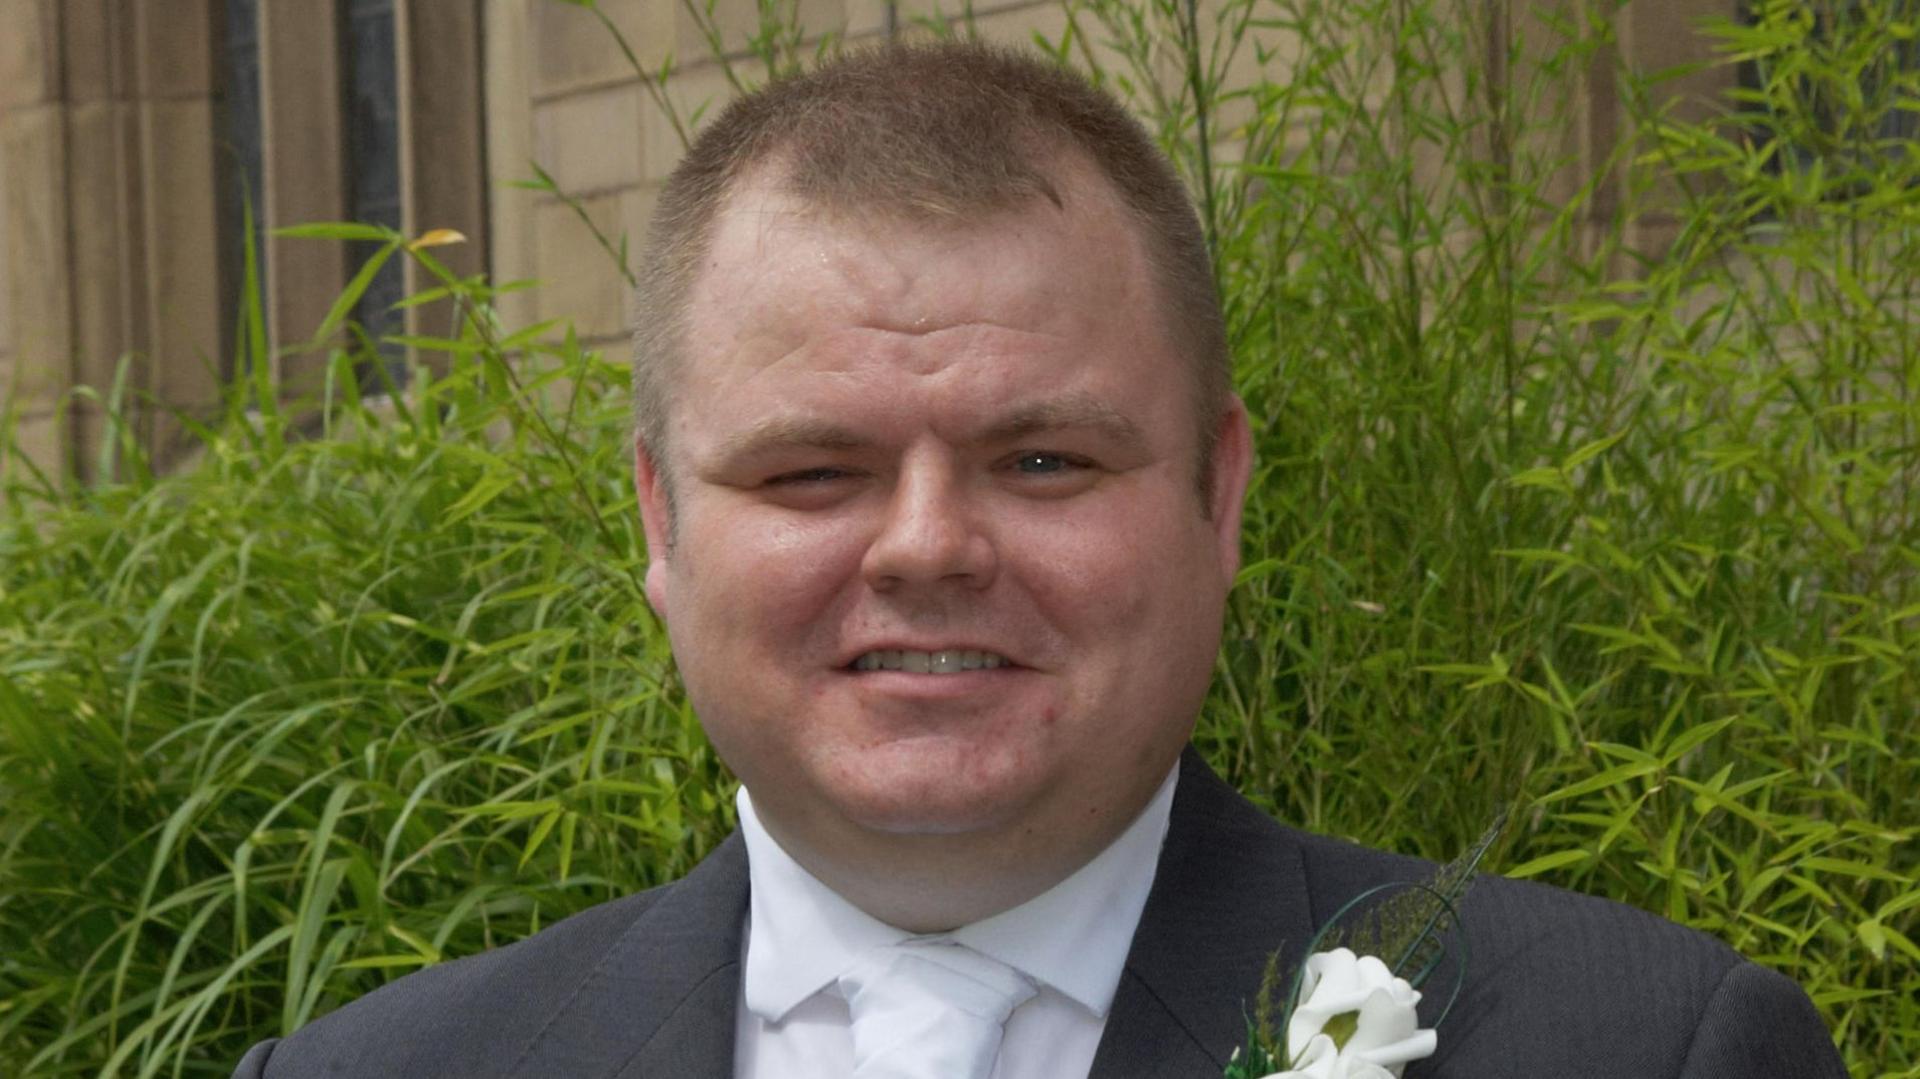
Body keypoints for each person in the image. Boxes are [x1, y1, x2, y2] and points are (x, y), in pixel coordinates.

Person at [234, 42, 1846, 1079]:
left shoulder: (1646, 1051)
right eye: (814, 471)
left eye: (1045, 460)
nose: (929, 546)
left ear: (1218, 498)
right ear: (660, 524)